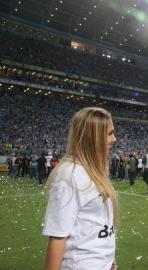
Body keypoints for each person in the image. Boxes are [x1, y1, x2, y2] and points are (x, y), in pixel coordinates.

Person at [42, 107, 119, 270]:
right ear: (93, 137)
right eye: (110, 133)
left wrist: (110, 258)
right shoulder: (69, 175)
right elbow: (57, 237)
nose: (115, 139)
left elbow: (101, 222)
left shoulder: (95, 170)